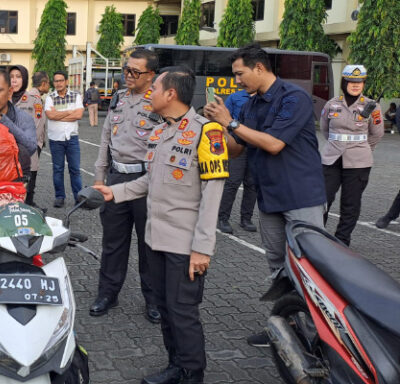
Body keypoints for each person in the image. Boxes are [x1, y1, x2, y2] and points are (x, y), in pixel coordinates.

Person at [94, 66, 228, 384]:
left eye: (154, 88)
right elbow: (148, 183)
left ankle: (193, 374)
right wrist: (115, 191)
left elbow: (213, 196)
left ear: (170, 94)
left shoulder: (207, 132)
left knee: (183, 313)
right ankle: (176, 366)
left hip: (185, 246)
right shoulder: (160, 132)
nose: (149, 94)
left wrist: (202, 249)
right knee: (166, 309)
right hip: (156, 240)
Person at [204, 43, 327, 348]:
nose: (236, 81)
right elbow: (237, 148)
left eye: (239, 73)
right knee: (277, 265)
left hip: (301, 196)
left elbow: (273, 144)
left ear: (259, 68)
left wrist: (230, 122)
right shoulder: (250, 104)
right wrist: (216, 130)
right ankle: (287, 327)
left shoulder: (293, 98)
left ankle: (321, 335)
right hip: (268, 196)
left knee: (310, 265)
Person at [91, 48, 162, 322]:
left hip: (147, 181)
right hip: (116, 178)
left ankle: (154, 299)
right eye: (126, 70)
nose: (128, 75)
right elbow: (106, 138)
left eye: (135, 71)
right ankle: (108, 293)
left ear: (151, 74)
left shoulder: (158, 100)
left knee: (149, 244)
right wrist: (99, 177)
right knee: (112, 242)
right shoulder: (118, 98)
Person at [320, 65, 384, 245]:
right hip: (331, 158)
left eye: (360, 82)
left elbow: (377, 134)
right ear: (344, 82)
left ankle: (342, 240)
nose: (355, 85)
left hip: (359, 162)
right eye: (351, 82)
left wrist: (362, 150)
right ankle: (317, 236)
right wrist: (337, 144)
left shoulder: (372, 106)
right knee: (322, 199)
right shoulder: (332, 103)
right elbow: (325, 129)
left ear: (363, 84)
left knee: (351, 204)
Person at [216, 89, 258, 234]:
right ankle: (223, 218)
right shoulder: (235, 97)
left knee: (252, 184)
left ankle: (246, 219)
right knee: (232, 182)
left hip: (257, 146)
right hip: (237, 145)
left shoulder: (265, 98)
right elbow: (223, 120)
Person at [10, 66, 48, 208]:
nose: (14, 80)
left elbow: (37, 127)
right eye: (11, 76)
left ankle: (29, 207)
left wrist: (29, 146)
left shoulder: (33, 100)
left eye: (18, 77)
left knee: (28, 181)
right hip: (6, 151)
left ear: (24, 80)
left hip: (28, 149)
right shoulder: (2, 98)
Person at [45, 71, 84, 208]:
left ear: (66, 81)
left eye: (61, 80)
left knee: (75, 169)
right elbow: (50, 115)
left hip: (72, 138)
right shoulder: (50, 98)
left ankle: (79, 198)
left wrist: (59, 114)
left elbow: (79, 115)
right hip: (56, 139)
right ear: (53, 83)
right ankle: (59, 197)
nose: (59, 83)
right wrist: (69, 112)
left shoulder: (76, 95)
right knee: (58, 169)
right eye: (56, 81)